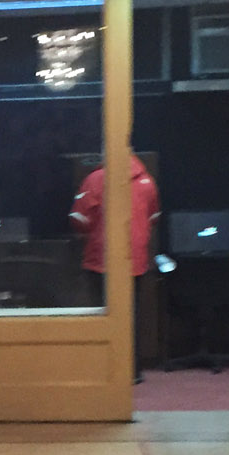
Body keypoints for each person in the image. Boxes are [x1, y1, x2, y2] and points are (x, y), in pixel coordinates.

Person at [69, 151, 160, 382]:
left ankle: (104, 370)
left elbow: (79, 219)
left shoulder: (95, 179)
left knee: (102, 314)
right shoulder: (147, 181)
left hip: (101, 259)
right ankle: (132, 371)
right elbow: (153, 217)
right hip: (135, 261)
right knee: (131, 316)